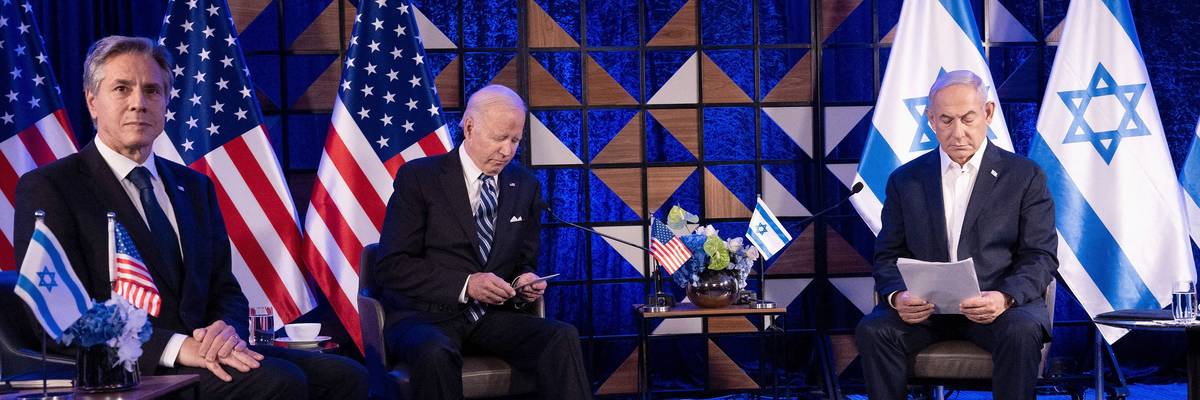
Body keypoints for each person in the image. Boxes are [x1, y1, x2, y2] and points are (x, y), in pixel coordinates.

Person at [12, 35, 366, 399]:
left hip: (210, 352)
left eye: (152, 91)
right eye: (121, 89)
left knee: (346, 376)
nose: (139, 103)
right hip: (130, 366)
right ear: (92, 101)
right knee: (278, 383)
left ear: (166, 102)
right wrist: (177, 347)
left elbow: (224, 288)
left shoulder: (194, 187)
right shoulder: (51, 187)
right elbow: (57, 309)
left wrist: (226, 329)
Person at [376, 84, 591, 400]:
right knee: (436, 353)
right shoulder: (419, 178)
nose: (508, 150)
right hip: (423, 316)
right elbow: (392, 266)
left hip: (489, 318)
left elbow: (522, 262)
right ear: (470, 127)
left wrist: (524, 281)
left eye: (515, 140)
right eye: (500, 138)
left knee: (562, 336)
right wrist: (466, 284)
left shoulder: (525, 186)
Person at [854, 70, 1058, 400]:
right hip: (925, 312)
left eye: (967, 118)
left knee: (1021, 331)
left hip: (998, 308)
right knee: (874, 330)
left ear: (988, 113)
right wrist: (898, 297)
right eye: (946, 120)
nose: (958, 132)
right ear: (930, 120)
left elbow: (1040, 255)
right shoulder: (905, 180)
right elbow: (887, 256)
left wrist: (1003, 297)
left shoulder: (1024, 176)